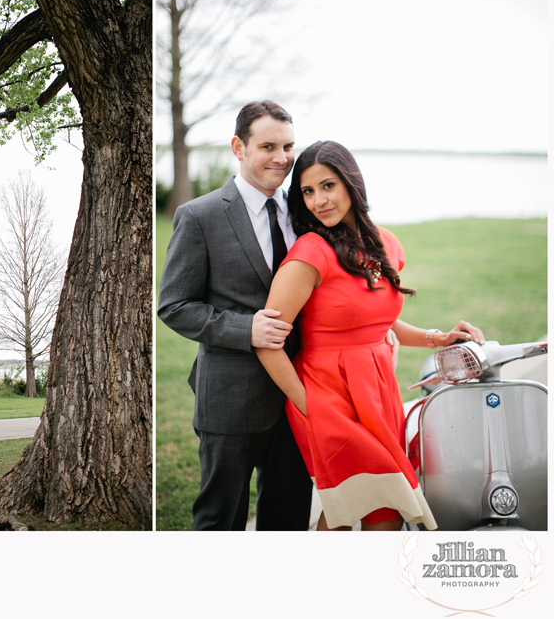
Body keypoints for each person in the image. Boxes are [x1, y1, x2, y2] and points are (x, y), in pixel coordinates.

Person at [256, 140, 484, 531]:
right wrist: (310, 405)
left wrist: (438, 338)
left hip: (378, 394)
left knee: (373, 509)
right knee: (368, 506)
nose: (317, 201)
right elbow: (267, 341)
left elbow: (376, 322)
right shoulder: (310, 253)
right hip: (328, 396)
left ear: (351, 183)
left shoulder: (386, 243)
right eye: (307, 191)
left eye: (327, 186)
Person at [158, 100, 313, 530]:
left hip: (299, 394)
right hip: (230, 400)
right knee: (219, 519)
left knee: (289, 517)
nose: (282, 159)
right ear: (238, 147)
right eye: (268, 146)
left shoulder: (304, 216)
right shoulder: (200, 216)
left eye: (288, 147)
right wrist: (248, 329)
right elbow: (173, 306)